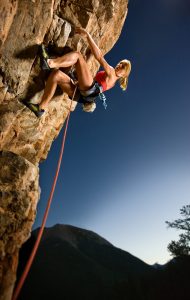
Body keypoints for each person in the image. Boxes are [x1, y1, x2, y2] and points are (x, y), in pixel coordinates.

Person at [25, 27, 131, 117]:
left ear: (123, 75)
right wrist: (80, 77)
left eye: (123, 67)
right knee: (56, 75)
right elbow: (89, 79)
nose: (119, 65)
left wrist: (87, 35)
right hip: (82, 95)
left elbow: (99, 56)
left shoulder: (112, 73)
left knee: (78, 56)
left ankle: (49, 63)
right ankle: (40, 109)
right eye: (121, 63)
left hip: (89, 91)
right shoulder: (111, 81)